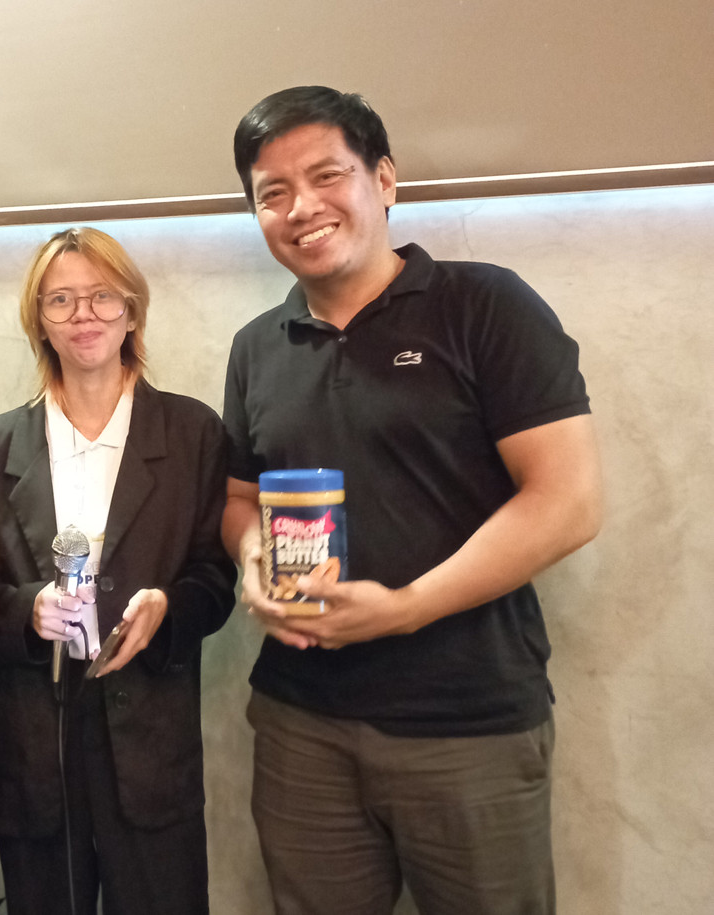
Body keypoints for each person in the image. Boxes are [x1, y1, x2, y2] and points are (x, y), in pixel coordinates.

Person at [221, 87, 603, 915]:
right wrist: (252, 559)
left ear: (385, 179)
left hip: (468, 722)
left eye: (326, 176)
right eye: (273, 192)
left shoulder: (486, 304)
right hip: (300, 720)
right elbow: (240, 496)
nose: (301, 207)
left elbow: (568, 500)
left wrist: (406, 608)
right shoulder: (256, 347)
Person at [0, 227, 236, 915]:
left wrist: (169, 609)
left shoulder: (192, 433)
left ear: (131, 310)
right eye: (60, 299)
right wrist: (27, 610)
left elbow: (216, 577)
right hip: (36, 739)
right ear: (39, 320)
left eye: (101, 296)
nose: (83, 314)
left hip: (150, 734)